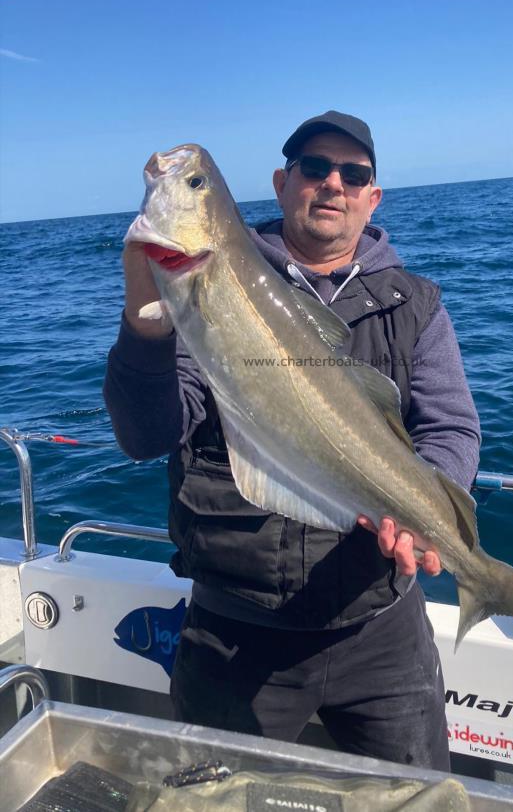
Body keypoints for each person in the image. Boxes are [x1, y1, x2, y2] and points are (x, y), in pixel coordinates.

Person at [104, 111, 480, 772]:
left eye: (353, 174)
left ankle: (485, 582)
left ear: (372, 198)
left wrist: (428, 515)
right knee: (215, 799)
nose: (332, 184)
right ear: (281, 183)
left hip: (380, 630)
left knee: (416, 796)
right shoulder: (209, 283)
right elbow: (146, 436)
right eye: (313, 168)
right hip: (233, 630)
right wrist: (144, 325)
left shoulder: (414, 305)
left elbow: (449, 427)